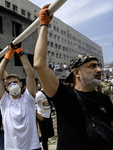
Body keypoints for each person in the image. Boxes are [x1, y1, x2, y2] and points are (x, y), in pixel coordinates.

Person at [33, 4, 113, 150]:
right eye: (92, 66)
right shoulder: (64, 95)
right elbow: (39, 64)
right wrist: (44, 24)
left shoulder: (104, 100)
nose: (99, 70)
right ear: (76, 73)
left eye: (98, 65)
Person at [0, 41, 41, 150]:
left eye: (15, 82)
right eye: (9, 84)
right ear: (6, 88)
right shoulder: (5, 101)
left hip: (32, 147)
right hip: (12, 148)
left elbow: (30, 73)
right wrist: (8, 54)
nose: (12, 85)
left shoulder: (28, 99)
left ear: (21, 84)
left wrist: (20, 52)